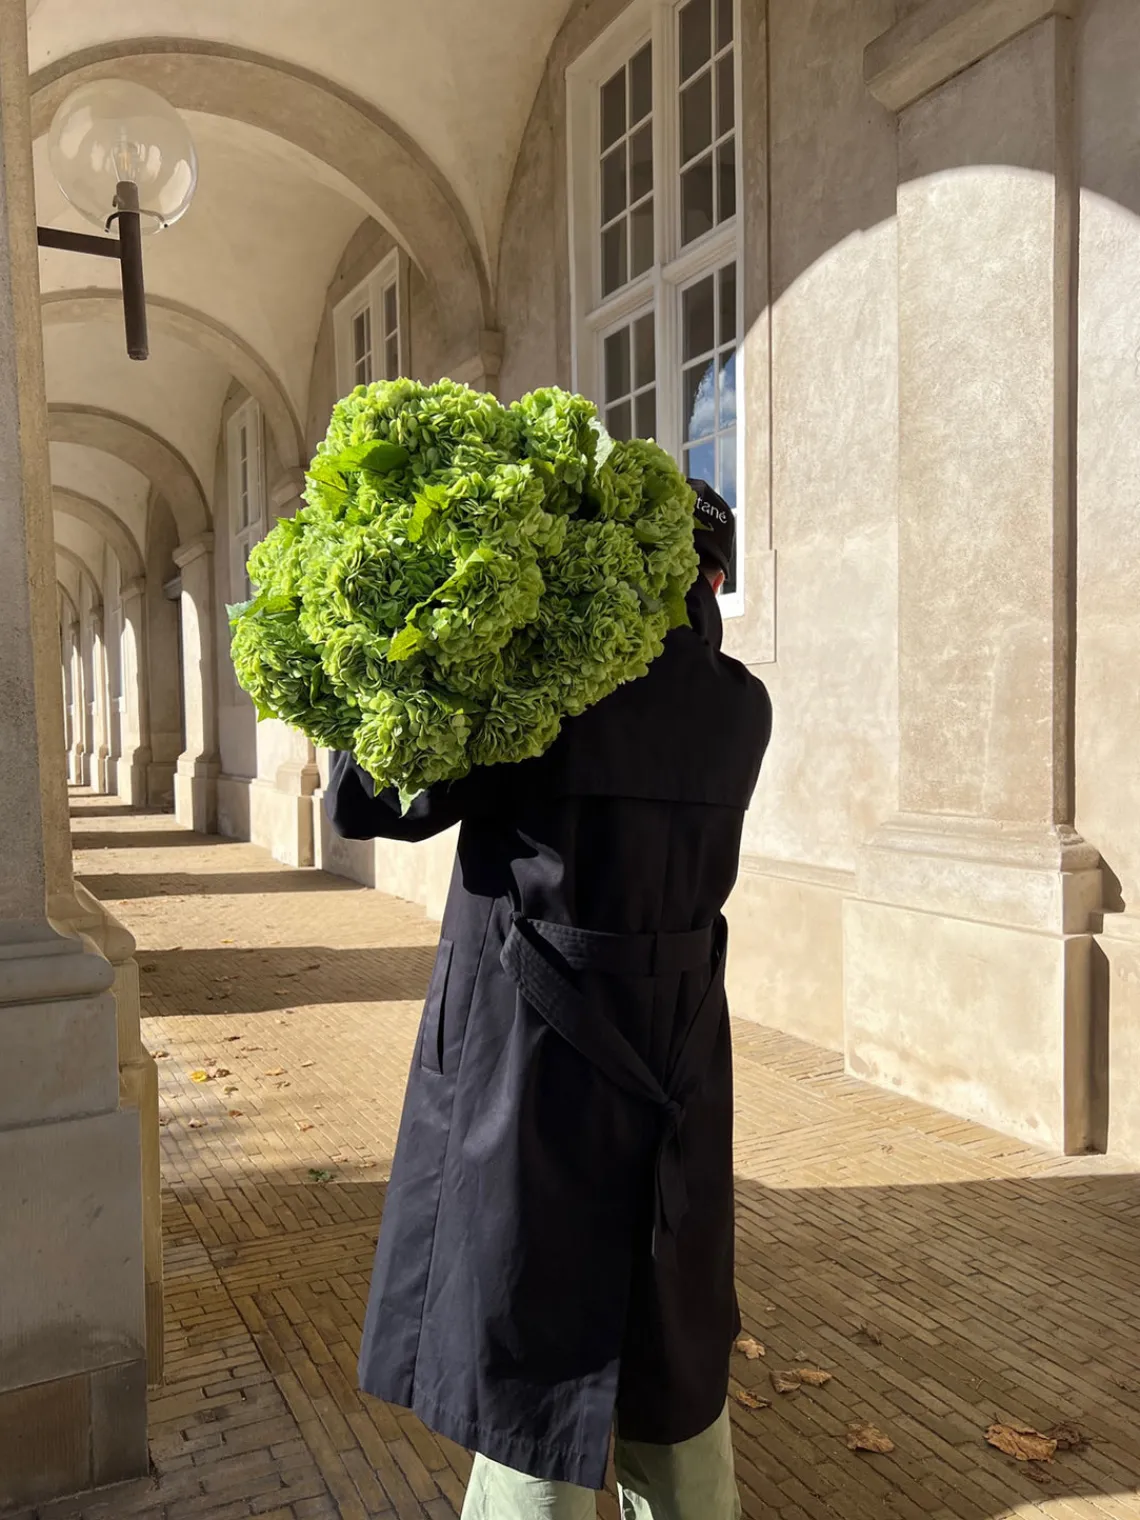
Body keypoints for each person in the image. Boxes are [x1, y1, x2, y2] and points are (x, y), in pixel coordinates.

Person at [325, 480, 772, 1519]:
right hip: (676, 1075)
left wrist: (423, 637)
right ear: (710, 584)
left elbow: (367, 796)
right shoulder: (742, 707)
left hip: (536, 1075)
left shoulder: (547, 690)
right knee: (677, 1377)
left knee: (539, 1386)